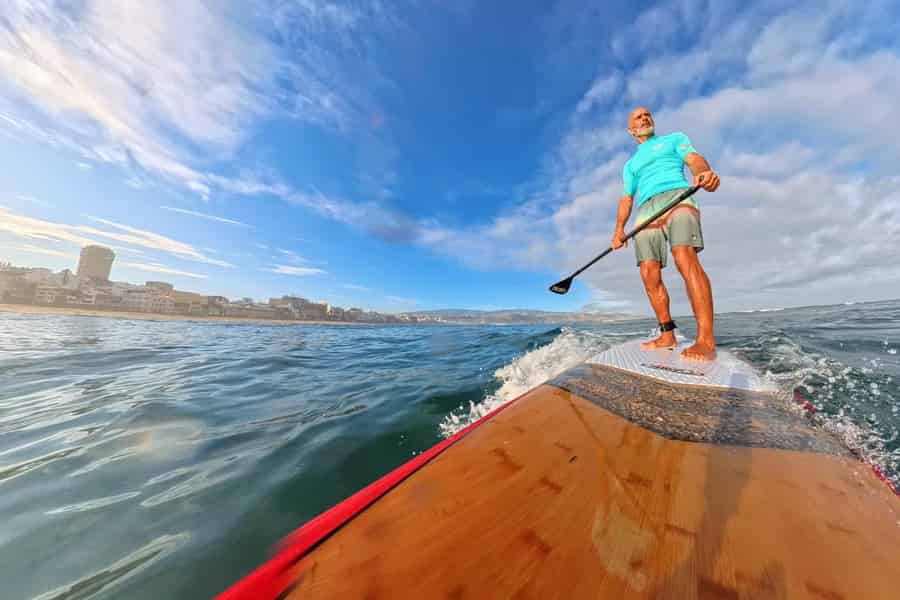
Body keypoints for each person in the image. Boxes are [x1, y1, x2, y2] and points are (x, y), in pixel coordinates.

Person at [611, 107, 720, 360]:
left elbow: (693, 159)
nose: (644, 118)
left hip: (677, 197)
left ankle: (705, 340)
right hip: (646, 210)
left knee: (684, 256)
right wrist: (618, 230)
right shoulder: (630, 165)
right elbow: (627, 198)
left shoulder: (674, 139)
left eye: (647, 115)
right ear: (631, 130)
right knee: (648, 273)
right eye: (638, 117)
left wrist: (702, 173)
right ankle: (667, 334)